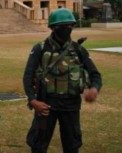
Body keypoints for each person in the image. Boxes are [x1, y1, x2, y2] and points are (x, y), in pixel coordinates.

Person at [23, 8, 102, 153]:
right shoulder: (40, 49)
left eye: (70, 25)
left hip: (70, 105)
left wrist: (94, 89)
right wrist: (33, 101)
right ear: (53, 28)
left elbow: (95, 75)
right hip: (45, 104)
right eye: (62, 26)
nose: (67, 29)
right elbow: (27, 77)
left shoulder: (78, 50)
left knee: (72, 146)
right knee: (38, 146)